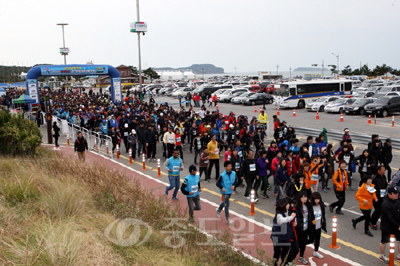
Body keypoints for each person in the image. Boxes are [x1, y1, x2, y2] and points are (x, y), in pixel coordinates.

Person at [270, 198, 296, 266]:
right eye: (287, 204)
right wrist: (291, 217)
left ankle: (284, 263)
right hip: (277, 237)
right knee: (277, 252)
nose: (288, 205)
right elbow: (282, 220)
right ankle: (275, 264)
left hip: (285, 237)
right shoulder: (279, 215)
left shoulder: (288, 211)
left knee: (285, 251)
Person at [378, 186, 400, 264]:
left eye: (397, 193)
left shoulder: (397, 201)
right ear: (389, 194)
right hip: (387, 226)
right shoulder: (385, 204)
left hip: (397, 224)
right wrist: (398, 226)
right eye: (394, 193)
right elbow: (388, 218)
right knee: (384, 241)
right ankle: (382, 255)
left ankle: (399, 256)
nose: (396, 195)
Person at [295, 191, 315, 265]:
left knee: (311, 240)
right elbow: (295, 217)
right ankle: (300, 256)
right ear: (299, 198)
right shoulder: (296, 207)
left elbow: (312, 216)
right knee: (300, 244)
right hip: (299, 228)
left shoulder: (309, 206)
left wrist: (313, 221)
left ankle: (300, 247)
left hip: (307, 227)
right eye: (302, 197)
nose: (304, 199)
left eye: (305, 197)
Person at [370, 165, 388, 230]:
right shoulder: (374, 178)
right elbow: (371, 188)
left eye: (384, 170)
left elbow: (385, 185)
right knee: (378, 210)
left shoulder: (383, 177)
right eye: (382, 170)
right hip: (376, 197)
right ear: (378, 170)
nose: (384, 172)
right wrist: (374, 196)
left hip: (382, 196)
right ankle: (373, 222)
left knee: (381, 210)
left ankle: (372, 220)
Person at [310, 192, 327, 259]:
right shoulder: (310, 206)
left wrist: (323, 224)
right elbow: (308, 216)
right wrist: (311, 221)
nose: (317, 201)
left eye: (318, 199)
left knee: (317, 239)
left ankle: (316, 251)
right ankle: (300, 246)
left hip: (318, 225)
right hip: (312, 226)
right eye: (315, 199)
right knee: (311, 239)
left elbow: (323, 215)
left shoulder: (321, 205)